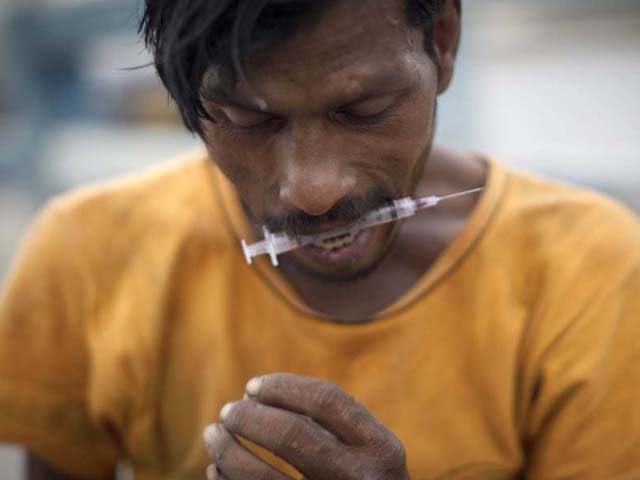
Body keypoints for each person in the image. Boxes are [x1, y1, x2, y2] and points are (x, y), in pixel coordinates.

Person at [1, 0, 639, 479]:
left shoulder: (597, 271)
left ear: (442, 41)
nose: (313, 191)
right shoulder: (88, 253)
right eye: (249, 120)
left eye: (364, 111)